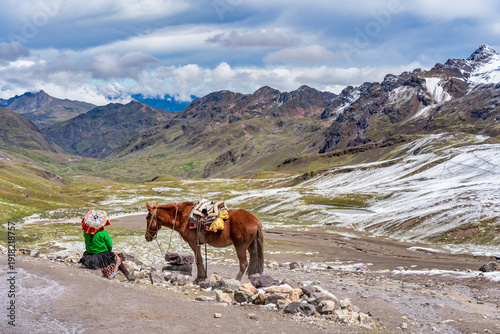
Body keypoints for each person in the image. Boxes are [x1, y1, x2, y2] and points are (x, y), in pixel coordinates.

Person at [79, 209, 134, 281]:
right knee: (117, 259)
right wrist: (109, 252)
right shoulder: (103, 232)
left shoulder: (86, 232)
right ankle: (128, 275)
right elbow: (110, 244)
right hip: (101, 256)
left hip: (89, 256)